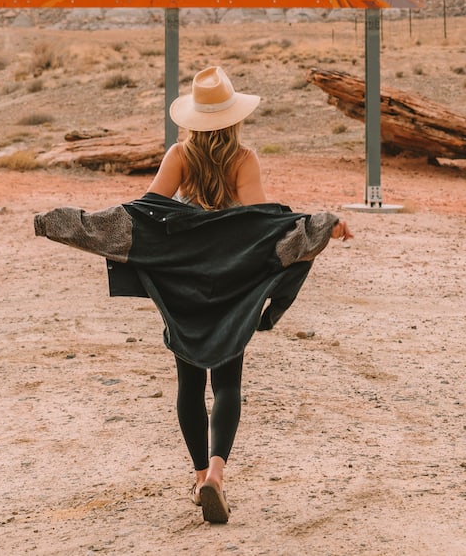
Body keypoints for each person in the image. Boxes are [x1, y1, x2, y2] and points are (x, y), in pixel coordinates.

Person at [34, 64, 353, 526]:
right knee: (228, 382)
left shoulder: (180, 155)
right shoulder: (244, 158)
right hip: (231, 281)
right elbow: (260, 222)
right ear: (234, 117)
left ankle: (199, 472)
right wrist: (320, 225)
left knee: (189, 382)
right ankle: (217, 476)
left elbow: (145, 213)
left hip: (183, 281)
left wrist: (67, 223)